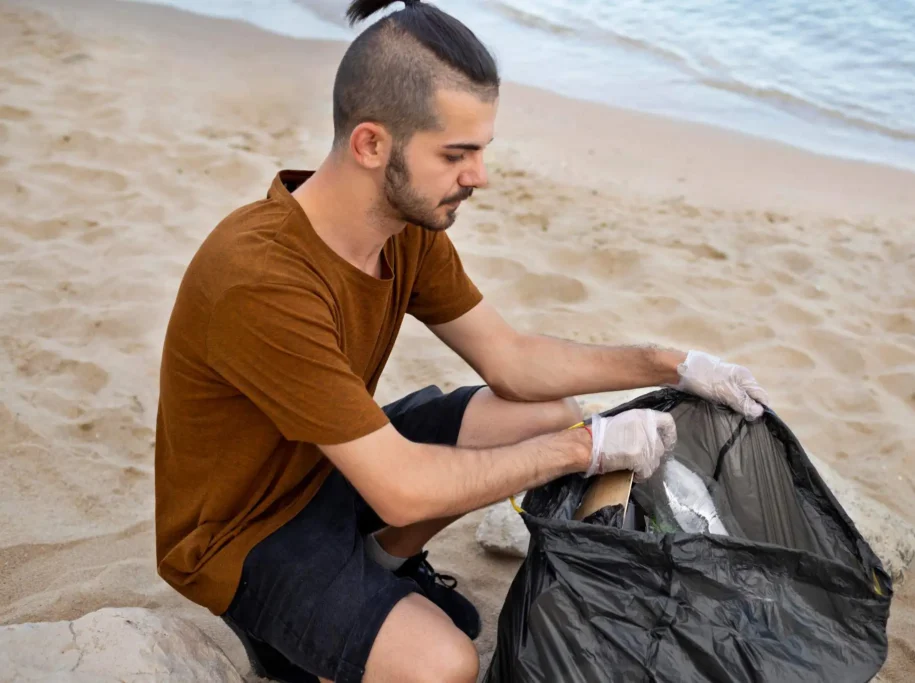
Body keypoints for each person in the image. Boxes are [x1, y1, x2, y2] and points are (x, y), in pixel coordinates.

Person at [153, 1, 770, 681]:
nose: (478, 176)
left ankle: (379, 568)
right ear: (370, 145)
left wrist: (670, 363)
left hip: (330, 465)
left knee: (541, 411)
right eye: (456, 154)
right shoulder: (261, 278)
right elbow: (401, 490)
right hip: (245, 534)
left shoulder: (403, 227)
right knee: (446, 664)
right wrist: (584, 447)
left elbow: (512, 359)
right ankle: (287, 639)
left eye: (481, 150)